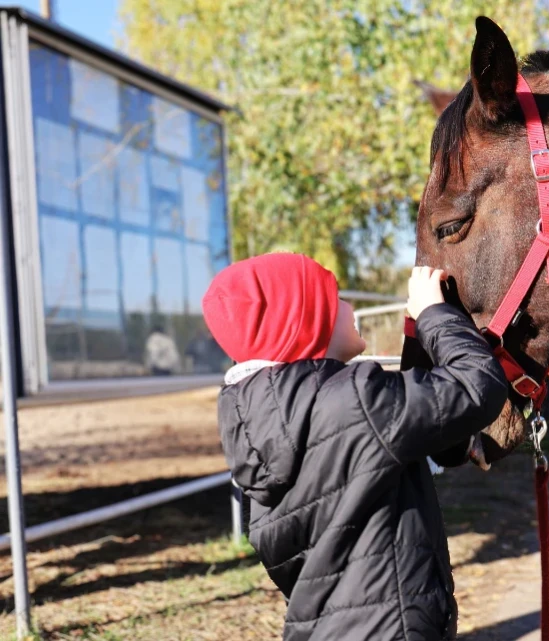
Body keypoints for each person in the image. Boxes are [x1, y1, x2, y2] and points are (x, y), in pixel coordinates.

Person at [201, 253, 508, 641]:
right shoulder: (356, 399)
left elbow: (373, 451)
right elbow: (478, 384)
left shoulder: (260, 425)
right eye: (336, 298)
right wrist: (434, 314)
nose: (351, 306)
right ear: (306, 321)